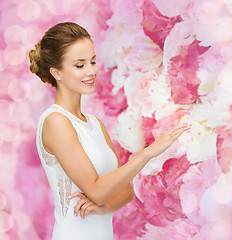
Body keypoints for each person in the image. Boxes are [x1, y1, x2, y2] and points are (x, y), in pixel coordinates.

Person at [29, 22, 190, 240]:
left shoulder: (95, 124)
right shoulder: (55, 121)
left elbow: (124, 191)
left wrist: (104, 207)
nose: (91, 71)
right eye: (79, 65)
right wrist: (148, 153)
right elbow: (96, 190)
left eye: (92, 61)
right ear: (56, 72)